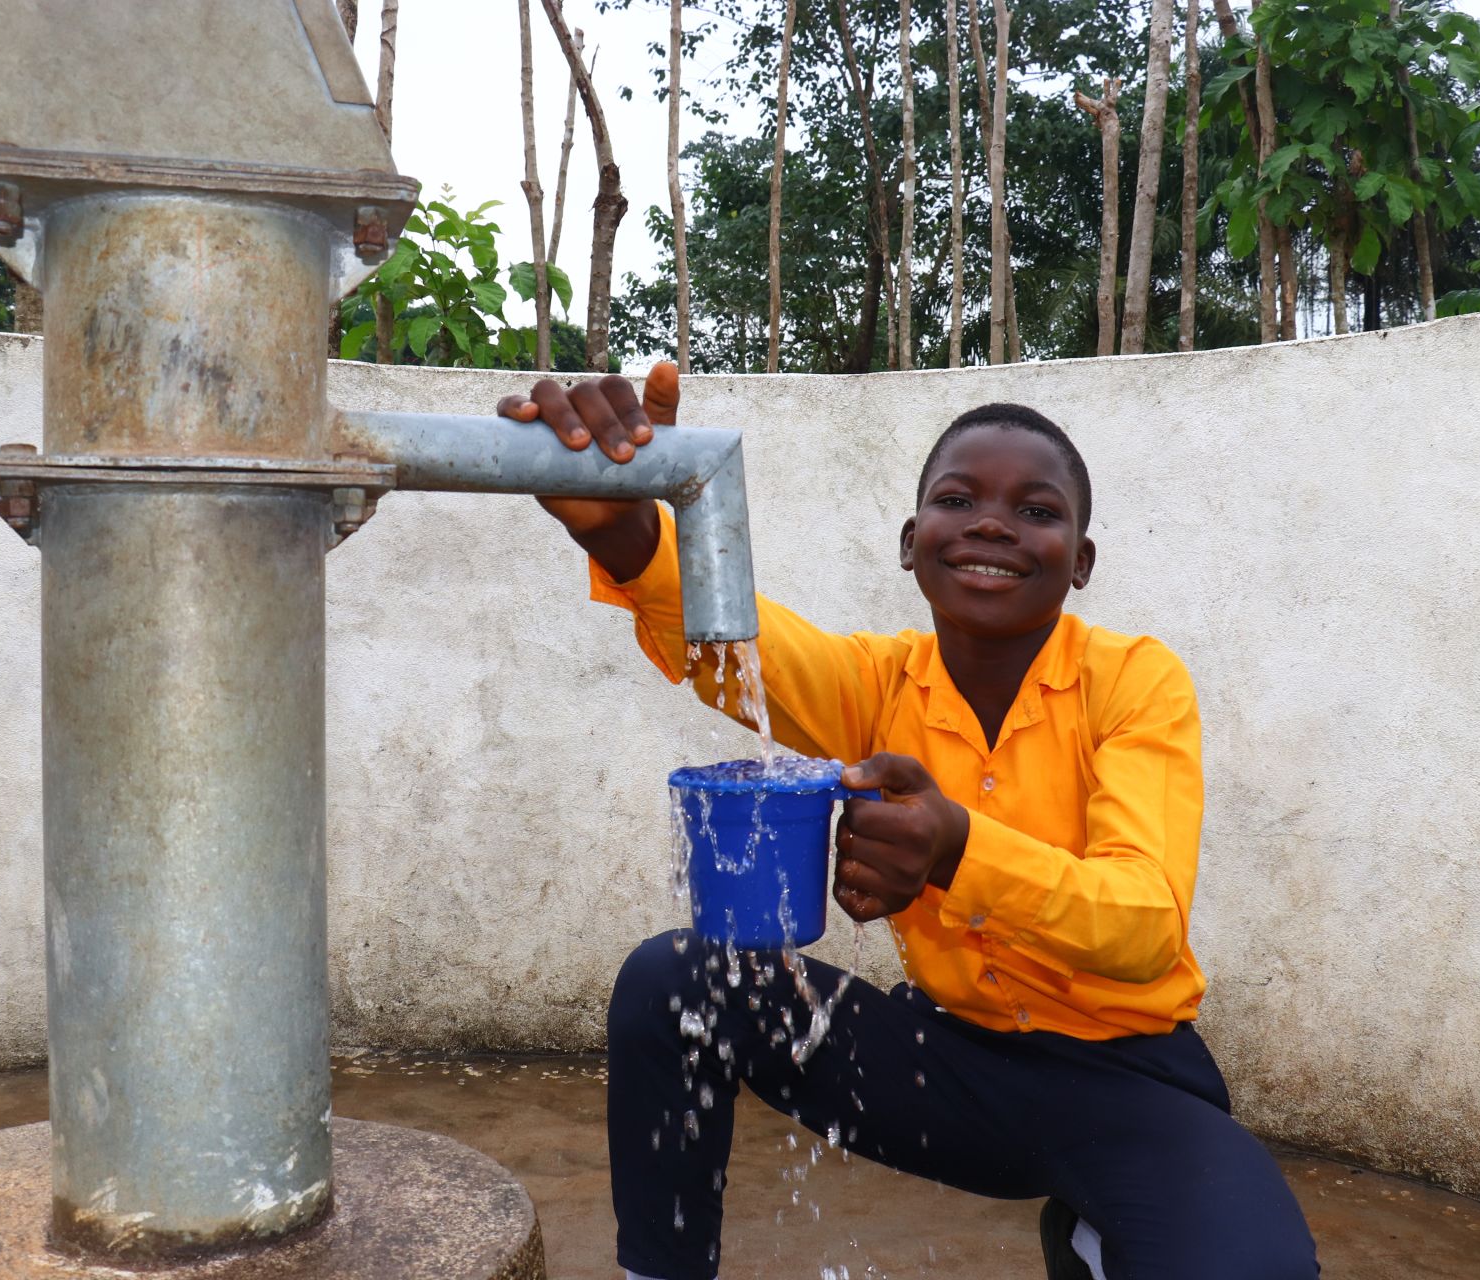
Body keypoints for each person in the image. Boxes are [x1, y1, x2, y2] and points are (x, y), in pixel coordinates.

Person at [496, 364, 1319, 1280]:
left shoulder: (1135, 681)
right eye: (957, 500)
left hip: (1127, 1080)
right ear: (910, 541)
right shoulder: (875, 683)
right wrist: (628, 536)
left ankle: (1095, 1230)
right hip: (945, 1067)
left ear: (1081, 561)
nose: (992, 524)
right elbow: (740, 651)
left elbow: (1144, 924)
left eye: (1037, 510)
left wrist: (957, 848)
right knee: (673, 982)